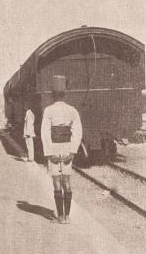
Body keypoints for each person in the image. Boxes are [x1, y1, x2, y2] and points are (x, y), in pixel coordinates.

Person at [41, 75, 82, 225]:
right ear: (65, 93)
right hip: (66, 147)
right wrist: (72, 151)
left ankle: (59, 216)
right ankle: (67, 217)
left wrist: (49, 153)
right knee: (67, 181)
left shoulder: (48, 110)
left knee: (56, 182)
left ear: (53, 94)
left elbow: (45, 132)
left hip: (53, 147)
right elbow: (77, 131)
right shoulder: (72, 110)